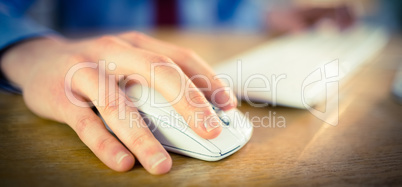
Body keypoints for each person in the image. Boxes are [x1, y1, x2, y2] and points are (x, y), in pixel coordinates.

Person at [0, 0, 354, 175]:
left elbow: (225, 9)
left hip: (195, 57)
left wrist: (269, 18)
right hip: (95, 67)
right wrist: (25, 47)